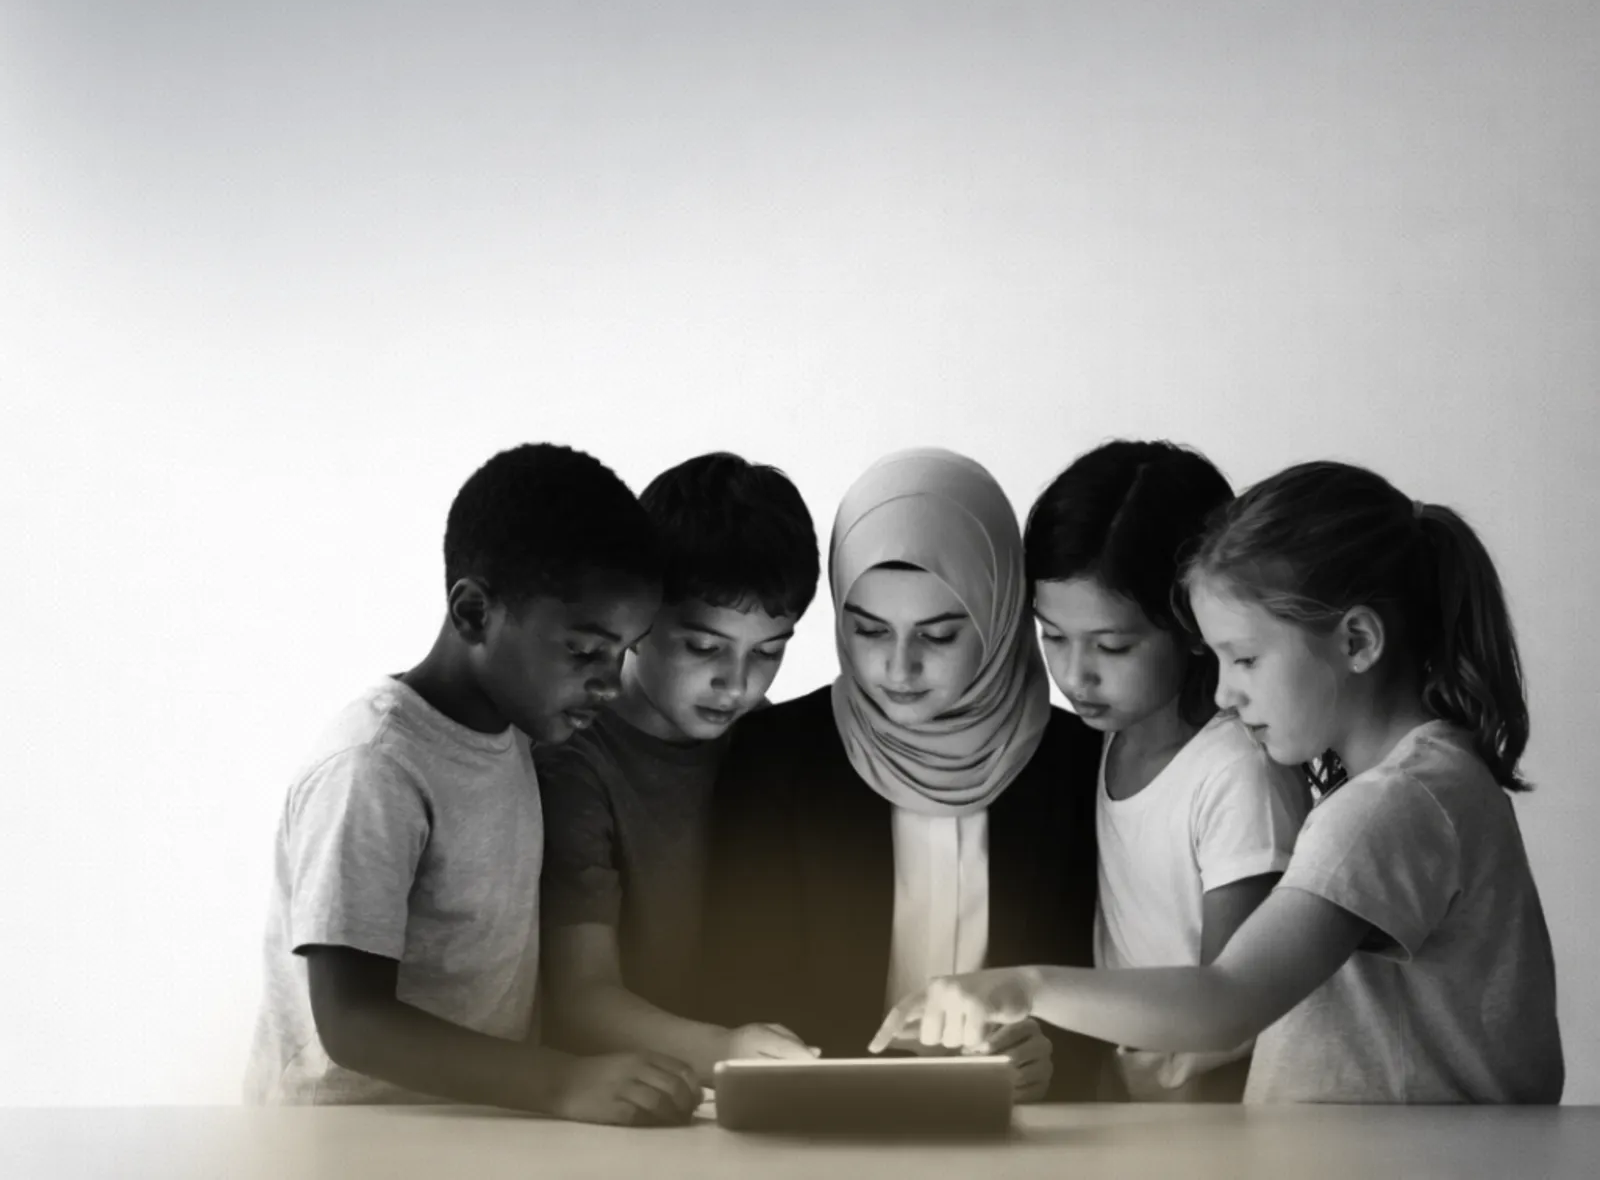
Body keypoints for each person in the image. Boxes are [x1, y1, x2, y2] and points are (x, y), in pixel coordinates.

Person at [872, 461, 1564, 1105]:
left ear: (1357, 642)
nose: (1226, 694)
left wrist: (1018, 988)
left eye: (1246, 659)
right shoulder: (1418, 784)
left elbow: (1228, 1000)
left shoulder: (1391, 806)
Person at [244, 443, 701, 1125]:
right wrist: (562, 1083)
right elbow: (352, 1023)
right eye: (584, 651)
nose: (608, 682)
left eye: (623, 652)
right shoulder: (374, 766)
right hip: (346, 1142)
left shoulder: (521, 731)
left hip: (474, 1128)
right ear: (474, 613)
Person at [700, 448, 1105, 1102]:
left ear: (1000, 615)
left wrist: (1050, 1059)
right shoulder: (772, 755)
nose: (897, 668)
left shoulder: (1079, 764)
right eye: (867, 631)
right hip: (821, 1135)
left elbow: (1101, 988)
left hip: (1026, 1143)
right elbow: (739, 988)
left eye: (939, 635)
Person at [1025, 440, 1309, 1101]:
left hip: (1212, 1130)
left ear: (1191, 620)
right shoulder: (1095, 744)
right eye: (1052, 636)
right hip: (1126, 1121)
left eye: (1112, 645)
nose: (1074, 674)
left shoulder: (1237, 774)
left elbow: (1233, 1017)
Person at [537, 451, 823, 1082]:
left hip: (734, 1092)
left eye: (769, 653)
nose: (737, 683)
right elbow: (581, 1000)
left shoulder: (766, 737)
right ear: (637, 614)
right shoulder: (574, 758)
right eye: (703, 647)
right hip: (609, 1097)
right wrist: (727, 1049)